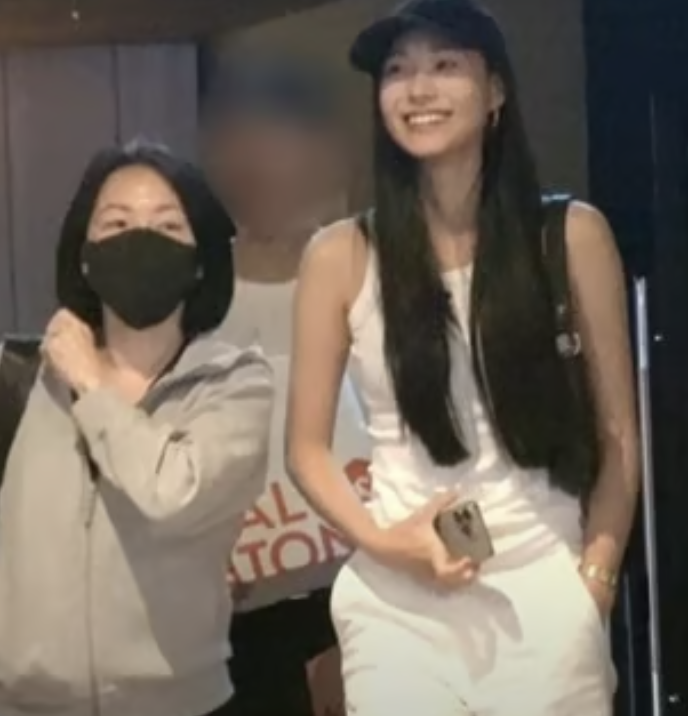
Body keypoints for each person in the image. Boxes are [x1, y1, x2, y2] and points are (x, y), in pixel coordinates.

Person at [286, 1, 639, 714]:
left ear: (495, 89)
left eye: (444, 65)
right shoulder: (339, 255)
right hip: (397, 604)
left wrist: (594, 585)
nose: (418, 89)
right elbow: (306, 450)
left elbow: (619, 441)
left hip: (542, 590)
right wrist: (387, 542)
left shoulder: (570, 237)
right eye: (397, 71)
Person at [0, 140, 273, 716]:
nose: (140, 241)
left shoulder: (234, 384)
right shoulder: (22, 379)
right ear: (84, 255)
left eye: (168, 226)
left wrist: (92, 383)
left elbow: (173, 495)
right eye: (116, 223)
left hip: (179, 704)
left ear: (200, 259)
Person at [201, 55, 365, 715]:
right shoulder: (188, 297)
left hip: (367, 593)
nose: (256, 159)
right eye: (235, 137)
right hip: (229, 623)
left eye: (278, 137)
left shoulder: (374, 277)